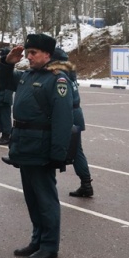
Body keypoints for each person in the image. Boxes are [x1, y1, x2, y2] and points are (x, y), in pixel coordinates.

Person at [0, 33, 74, 258]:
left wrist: (57, 155)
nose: (28, 57)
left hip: (41, 148)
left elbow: (63, 121)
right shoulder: (27, 76)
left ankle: (50, 245)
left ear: (47, 55)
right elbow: (3, 82)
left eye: (33, 53)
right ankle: (37, 239)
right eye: (28, 53)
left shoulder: (58, 80)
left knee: (45, 199)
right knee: (31, 198)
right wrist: (6, 63)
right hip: (24, 145)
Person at [52, 47, 93, 197]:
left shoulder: (59, 75)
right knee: (77, 151)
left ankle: (86, 184)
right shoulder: (69, 71)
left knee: (71, 151)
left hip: (69, 114)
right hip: (76, 113)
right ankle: (86, 183)